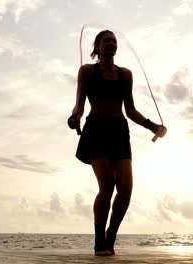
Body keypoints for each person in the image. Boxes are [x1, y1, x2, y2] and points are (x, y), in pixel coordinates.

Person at [67, 29, 167, 256]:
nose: (110, 43)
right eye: (106, 40)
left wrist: (153, 126)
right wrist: (74, 118)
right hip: (96, 130)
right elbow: (79, 104)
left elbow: (130, 110)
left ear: (116, 47)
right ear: (97, 47)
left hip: (119, 132)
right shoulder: (86, 71)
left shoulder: (126, 74)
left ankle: (111, 236)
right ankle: (98, 240)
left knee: (126, 188)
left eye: (113, 40)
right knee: (108, 185)